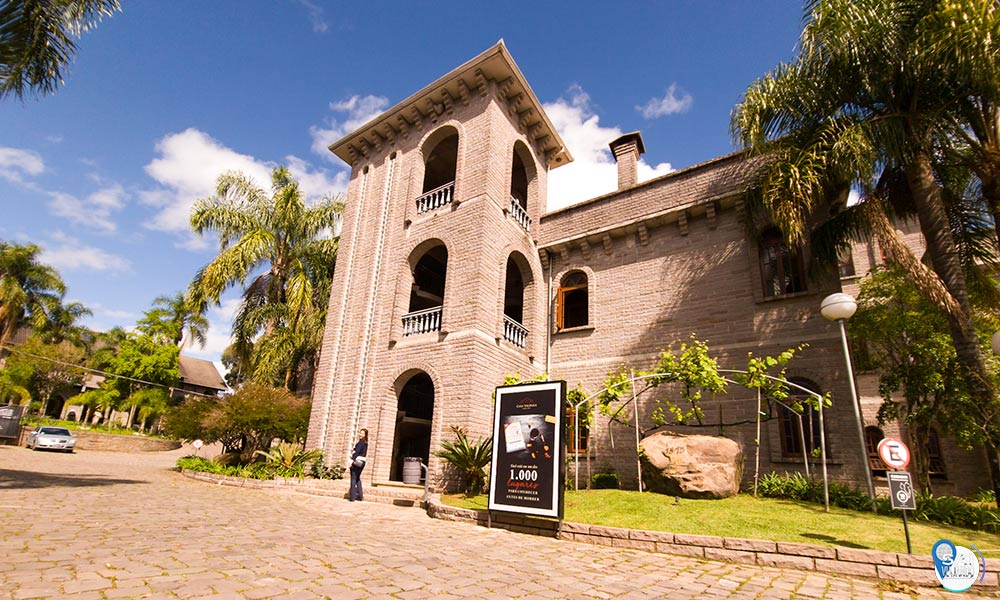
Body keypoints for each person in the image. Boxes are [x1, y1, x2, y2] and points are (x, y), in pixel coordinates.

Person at [349, 429, 368, 501]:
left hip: (357, 462)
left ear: (365, 435)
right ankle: (360, 495)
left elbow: (356, 452)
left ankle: (352, 497)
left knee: (353, 478)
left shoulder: (361, 442)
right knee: (357, 478)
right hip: (362, 462)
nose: (360, 434)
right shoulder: (366, 443)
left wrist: (351, 460)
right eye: (360, 433)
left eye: (362, 433)